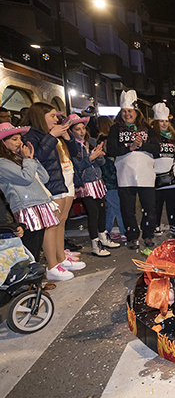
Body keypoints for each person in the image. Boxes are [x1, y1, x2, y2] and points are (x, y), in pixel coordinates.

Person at [21, 103, 85, 276]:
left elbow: (74, 152)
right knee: (51, 225)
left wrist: (66, 136)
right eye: (52, 116)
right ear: (40, 117)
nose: (56, 119)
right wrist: (51, 136)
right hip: (47, 185)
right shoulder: (31, 135)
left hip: (60, 181)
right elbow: (37, 157)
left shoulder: (49, 134)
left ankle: (60, 258)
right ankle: (52, 266)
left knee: (60, 222)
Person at [0, 123, 60, 274]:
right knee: (31, 245)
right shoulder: (2, 162)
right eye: (14, 139)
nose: (19, 142)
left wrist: (32, 159)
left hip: (39, 202)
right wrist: (27, 159)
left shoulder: (20, 159)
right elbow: (25, 178)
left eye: (20, 139)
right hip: (26, 207)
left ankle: (36, 279)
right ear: (3, 143)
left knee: (38, 244)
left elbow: (44, 178)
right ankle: (29, 280)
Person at [106, 90, 160, 250]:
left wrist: (142, 145)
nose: (126, 114)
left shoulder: (147, 128)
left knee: (149, 208)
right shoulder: (115, 129)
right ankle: (132, 236)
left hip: (145, 174)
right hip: (125, 175)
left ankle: (148, 235)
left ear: (136, 112)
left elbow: (157, 149)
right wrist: (129, 148)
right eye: (124, 111)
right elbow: (111, 150)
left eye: (129, 111)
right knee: (127, 209)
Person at [65, 114, 119, 257]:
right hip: (86, 184)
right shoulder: (72, 147)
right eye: (77, 129)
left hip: (97, 181)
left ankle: (103, 237)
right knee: (93, 212)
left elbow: (101, 163)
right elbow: (78, 166)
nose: (82, 131)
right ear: (71, 131)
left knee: (102, 210)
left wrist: (99, 157)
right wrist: (90, 158)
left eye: (83, 128)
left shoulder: (90, 142)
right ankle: (95, 244)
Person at [151, 103, 175, 237]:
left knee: (172, 203)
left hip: (172, 174)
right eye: (161, 121)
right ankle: (156, 225)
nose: (164, 124)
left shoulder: (173, 136)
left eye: (166, 121)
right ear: (156, 122)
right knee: (157, 203)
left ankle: (173, 225)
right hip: (157, 174)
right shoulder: (151, 136)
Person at [96, 116, 125, 241]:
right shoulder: (105, 160)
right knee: (118, 208)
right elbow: (109, 175)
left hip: (112, 186)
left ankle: (106, 231)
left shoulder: (109, 158)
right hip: (111, 187)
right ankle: (124, 231)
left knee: (112, 210)